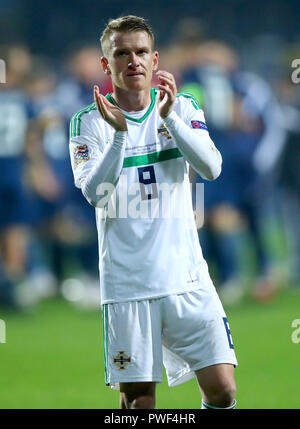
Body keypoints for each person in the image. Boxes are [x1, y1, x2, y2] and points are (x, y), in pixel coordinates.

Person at [69, 15, 238, 410]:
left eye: (141, 52)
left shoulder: (183, 106)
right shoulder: (87, 121)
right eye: (122, 53)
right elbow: (95, 193)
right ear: (105, 64)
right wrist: (119, 136)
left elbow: (212, 169)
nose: (134, 61)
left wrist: (170, 118)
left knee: (223, 390)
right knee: (140, 404)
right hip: (129, 286)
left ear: (155, 58)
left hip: (188, 278)